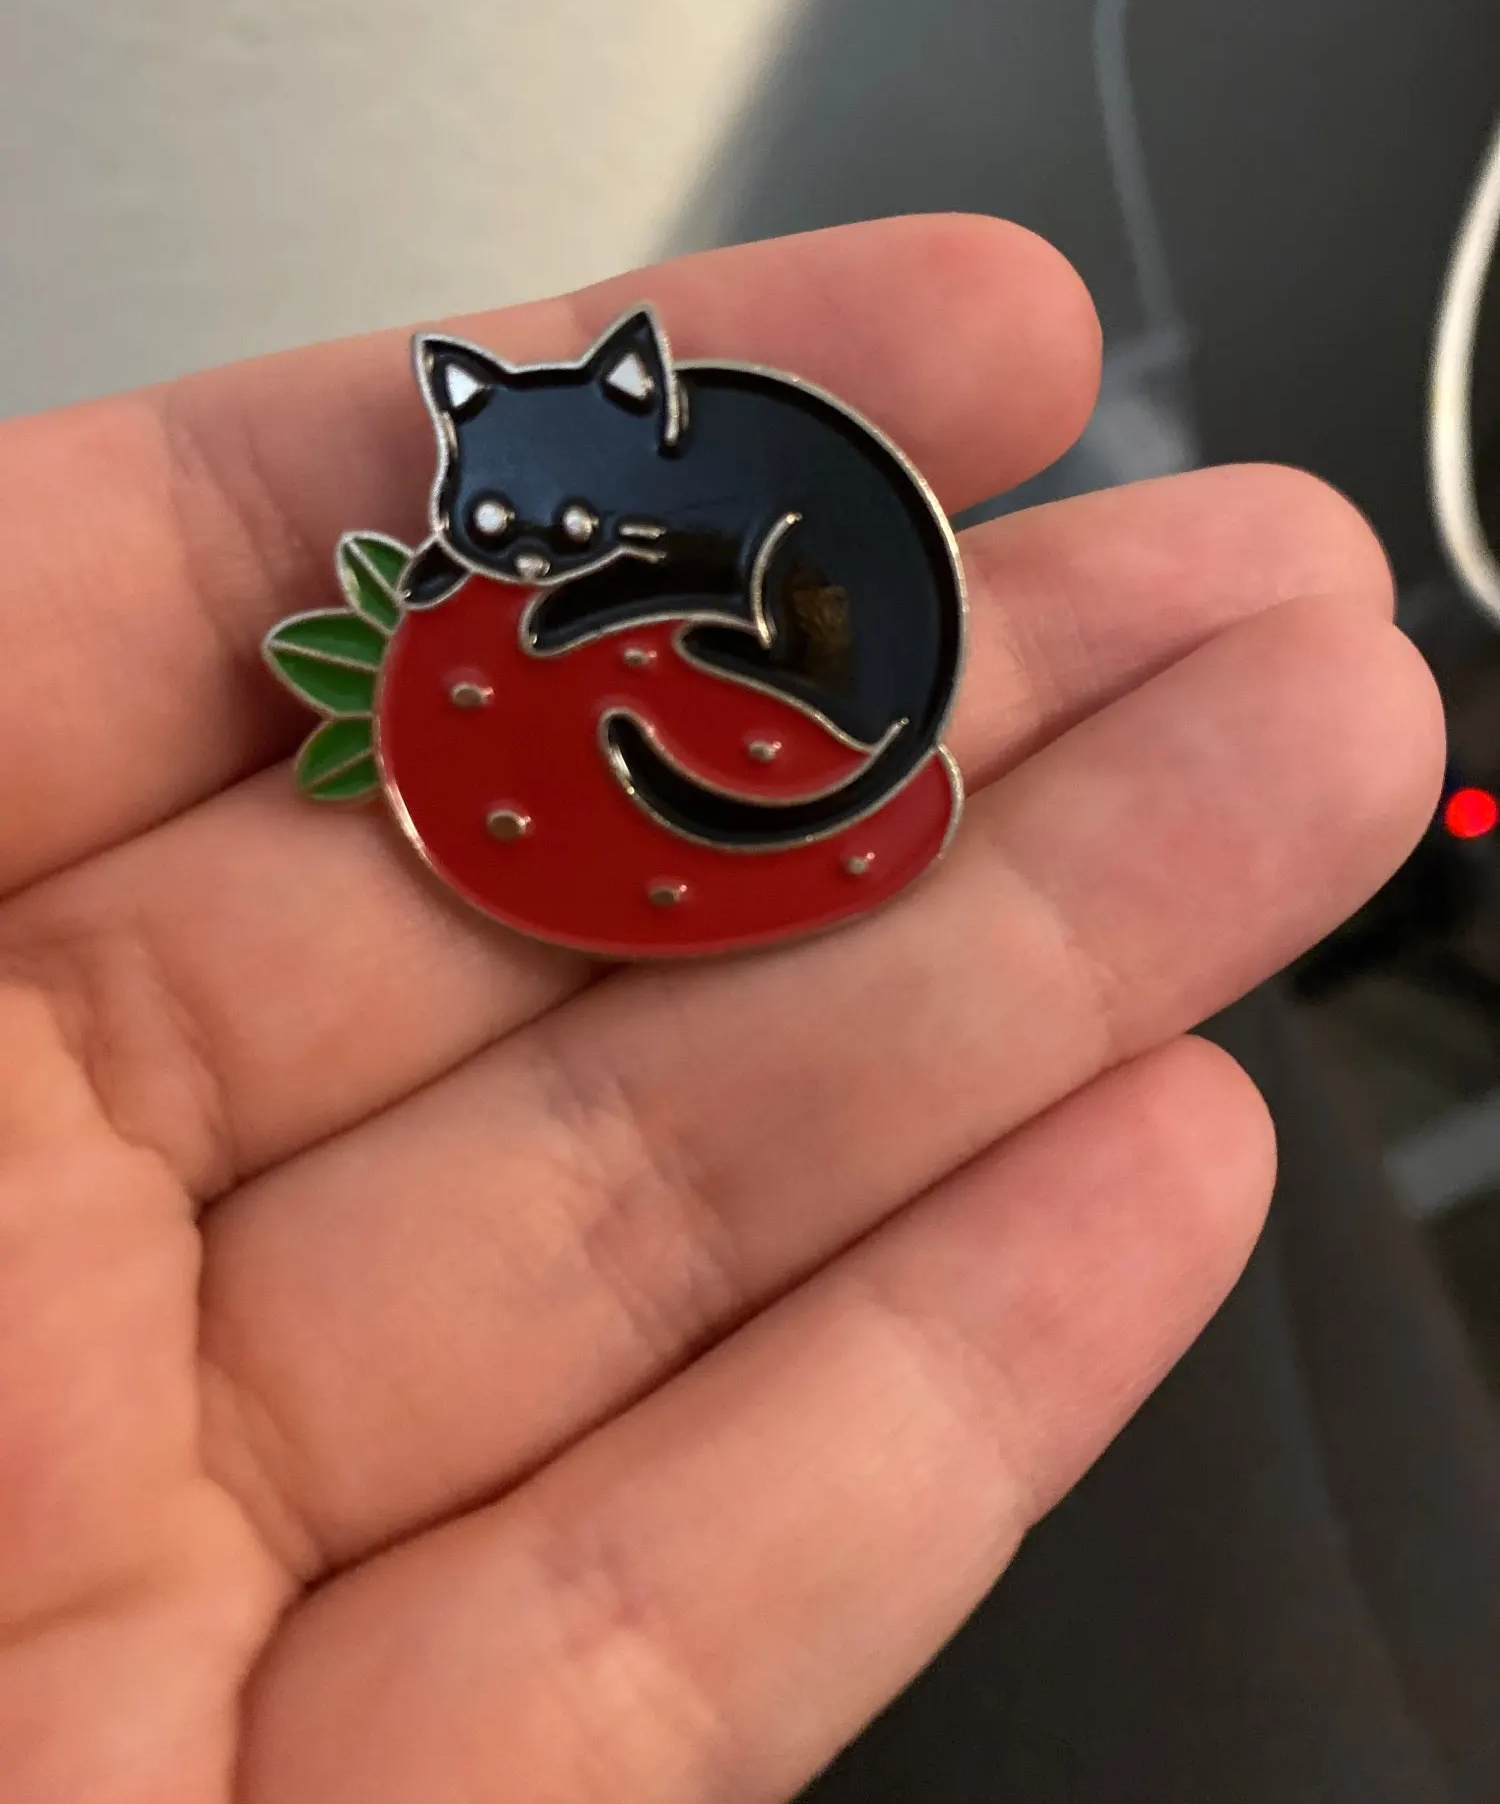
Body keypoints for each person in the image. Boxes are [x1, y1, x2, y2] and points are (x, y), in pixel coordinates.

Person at [0, 213, 1479, 1803]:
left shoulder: (723, 504)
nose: (526, 550)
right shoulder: (586, 509)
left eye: (563, 527)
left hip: (813, 671)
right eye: (494, 522)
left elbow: (645, 597)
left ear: (647, 436)